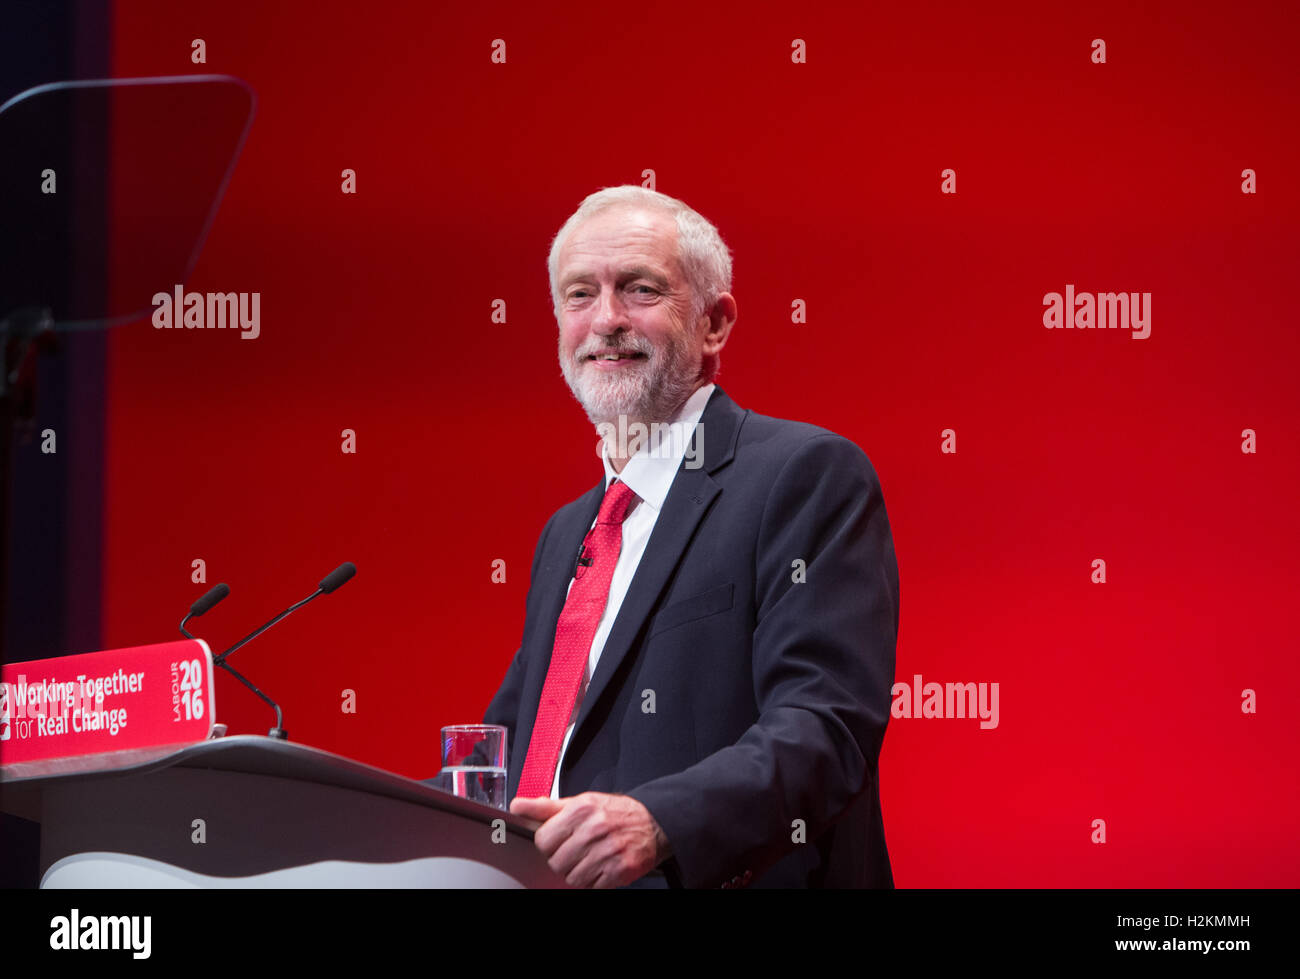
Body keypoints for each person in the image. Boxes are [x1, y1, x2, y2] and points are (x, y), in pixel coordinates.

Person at [484, 185, 899, 888]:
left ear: (714, 323)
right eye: (580, 294)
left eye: (639, 289)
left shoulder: (803, 476)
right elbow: (507, 758)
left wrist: (659, 819)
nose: (606, 319)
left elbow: (825, 725)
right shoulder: (567, 533)